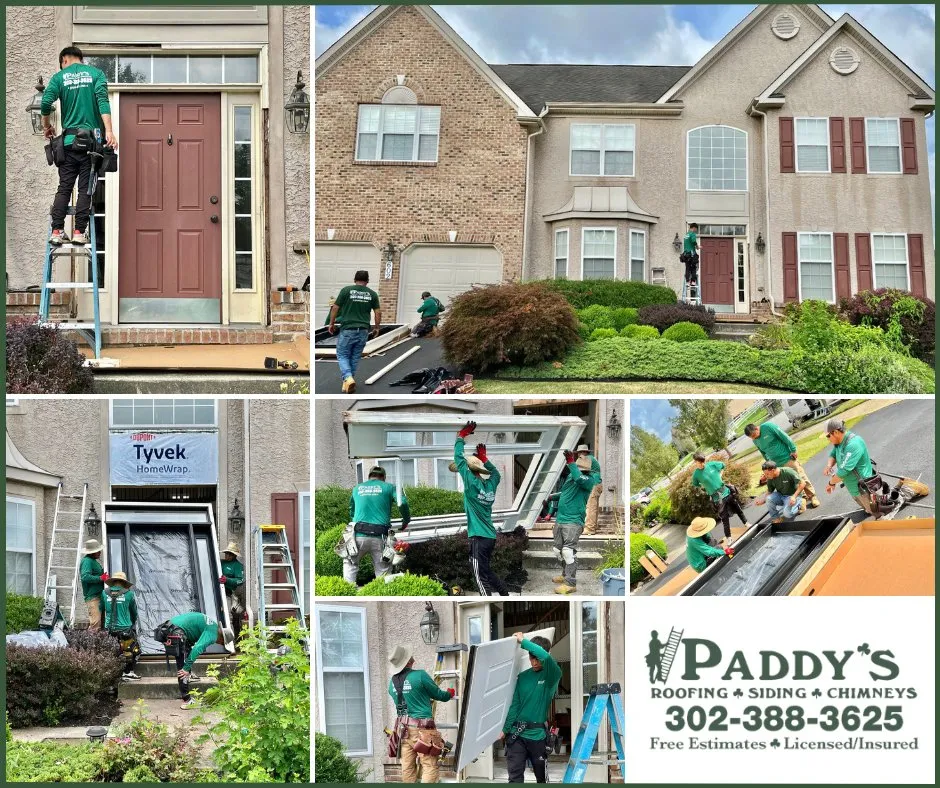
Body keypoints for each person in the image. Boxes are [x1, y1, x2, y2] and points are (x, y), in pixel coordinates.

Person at [41, 46, 117, 246]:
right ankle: (78, 232)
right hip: (91, 146)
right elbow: (103, 102)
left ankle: (56, 231)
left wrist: (46, 126)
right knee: (85, 190)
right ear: (80, 59)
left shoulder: (59, 77)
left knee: (64, 187)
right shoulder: (96, 74)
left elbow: (46, 102)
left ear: (64, 60)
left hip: (67, 144)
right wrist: (109, 131)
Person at [450, 421, 508, 596]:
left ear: (469, 469)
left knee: (479, 576)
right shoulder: (489, 485)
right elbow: (496, 474)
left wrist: (461, 437)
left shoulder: (471, 484)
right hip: (489, 536)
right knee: (486, 571)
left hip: (478, 537)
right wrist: (485, 459)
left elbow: (459, 459)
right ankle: (504, 595)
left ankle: (487, 600)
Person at [387, 644, 455, 784]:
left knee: (407, 767)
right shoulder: (420, 675)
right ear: (409, 661)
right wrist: (450, 693)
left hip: (403, 731)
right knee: (429, 765)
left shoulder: (391, 683)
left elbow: (408, 698)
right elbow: (439, 695)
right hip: (423, 730)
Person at [501, 633, 562, 784]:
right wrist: (505, 729)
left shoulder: (551, 676)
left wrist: (523, 641)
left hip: (537, 736)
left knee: (541, 778)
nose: (534, 662)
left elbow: (546, 659)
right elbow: (515, 705)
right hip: (517, 735)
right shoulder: (522, 677)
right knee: (514, 778)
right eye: (531, 658)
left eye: (537, 658)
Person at [343, 466, 411, 585]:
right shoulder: (390, 487)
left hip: (358, 535)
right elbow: (402, 503)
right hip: (380, 537)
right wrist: (405, 520)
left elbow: (351, 510)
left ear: (369, 477)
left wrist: (356, 521)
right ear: (384, 477)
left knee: (350, 566)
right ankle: (382, 593)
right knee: (383, 573)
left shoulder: (357, 488)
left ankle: (346, 591)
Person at [158, 612, 234, 710]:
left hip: (171, 627)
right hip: (176, 632)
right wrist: (186, 668)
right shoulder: (213, 635)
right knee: (182, 669)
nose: (220, 644)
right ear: (222, 639)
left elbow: (194, 637)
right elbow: (197, 648)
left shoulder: (213, 626)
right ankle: (186, 700)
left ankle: (188, 674)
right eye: (222, 643)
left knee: (188, 648)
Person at [551, 450, 601, 595]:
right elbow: (564, 492)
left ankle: (570, 583)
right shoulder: (571, 475)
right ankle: (564, 574)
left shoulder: (589, 479)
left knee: (568, 551)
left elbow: (579, 479)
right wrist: (550, 498)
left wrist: (571, 463)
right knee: (558, 551)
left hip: (573, 521)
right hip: (560, 519)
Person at [327, 270, 381, 394]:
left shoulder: (346, 290)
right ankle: (347, 383)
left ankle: (348, 377)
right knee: (355, 357)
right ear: (367, 281)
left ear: (354, 279)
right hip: (363, 330)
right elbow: (378, 312)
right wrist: (377, 327)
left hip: (348, 329)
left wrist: (331, 323)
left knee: (342, 355)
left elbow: (335, 307)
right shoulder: (372, 294)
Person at [744, 421, 820, 507]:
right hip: (776, 465)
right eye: (752, 438)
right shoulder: (755, 440)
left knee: (800, 477)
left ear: (757, 428)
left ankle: (813, 496)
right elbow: (763, 452)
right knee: (789, 483)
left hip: (787, 458)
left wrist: (793, 449)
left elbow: (784, 436)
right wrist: (768, 464)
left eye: (754, 435)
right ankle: (802, 498)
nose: (754, 438)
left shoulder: (768, 426)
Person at [823, 418, 878, 518]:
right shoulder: (839, 442)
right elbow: (833, 454)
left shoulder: (853, 444)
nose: (828, 439)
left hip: (864, 489)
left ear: (835, 432)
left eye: (828, 436)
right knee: (867, 509)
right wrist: (829, 465)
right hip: (853, 488)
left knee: (876, 512)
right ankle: (869, 509)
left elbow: (843, 472)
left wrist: (831, 483)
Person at [689, 454, 749, 544]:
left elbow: (722, 465)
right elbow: (695, 484)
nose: (701, 464)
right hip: (717, 499)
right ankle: (729, 537)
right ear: (695, 462)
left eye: (703, 462)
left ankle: (746, 523)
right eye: (699, 462)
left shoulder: (712, 464)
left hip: (726, 492)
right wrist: (704, 485)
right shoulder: (696, 474)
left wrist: (720, 474)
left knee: (738, 509)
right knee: (725, 519)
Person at [101, 572, 141, 682]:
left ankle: (115, 674)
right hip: (125, 628)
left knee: (114, 651)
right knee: (133, 650)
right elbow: (134, 612)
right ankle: (128, 672)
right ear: (124, 583)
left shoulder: (104, 593)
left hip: (110, 629)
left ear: (113, 582)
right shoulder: (129, 594)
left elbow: (101, 609)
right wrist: (132, 623)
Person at [219, 542, 245, 642]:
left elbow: (240, 580)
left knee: (228, 617)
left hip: (228, 594)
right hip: (216, 593)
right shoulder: (220, 562)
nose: (227, 555)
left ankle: (231, 643)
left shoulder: (238, 566)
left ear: (234, 555)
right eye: (226, 553)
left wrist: (227, 580)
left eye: (229, 554)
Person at [79, 539, 107, 631]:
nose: (99, 552)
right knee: (95, 625)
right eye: (97, 551)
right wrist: (100, 578)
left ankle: (99, 644)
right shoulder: (87, 561)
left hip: (98, 596)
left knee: (100, 625)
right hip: (93, 597)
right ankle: (90, 644)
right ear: (92, 552)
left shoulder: (93, 561)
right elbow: (85, 577)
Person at [579, 444, 604, 536]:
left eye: (580, 452)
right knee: (594, 506)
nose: (579, 455)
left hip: (594, 484)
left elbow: (580, 472)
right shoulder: (591, 458)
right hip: (597, 483)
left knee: (590, 506)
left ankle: (589, 529)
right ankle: (593, 526)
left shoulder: (587, 458)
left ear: (583, 452)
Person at [682, 222, 699, 289]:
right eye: (696, 229)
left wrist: (695, 246)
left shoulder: (686, 235)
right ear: (694, 228)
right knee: (694, 268)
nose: (696, 231)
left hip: (686, 254)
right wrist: (697, 246)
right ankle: (693, 281)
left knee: (687, 268)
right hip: (692, 254)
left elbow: (689, 244)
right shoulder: (692, 234)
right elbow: (693, 241)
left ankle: (687, 281)